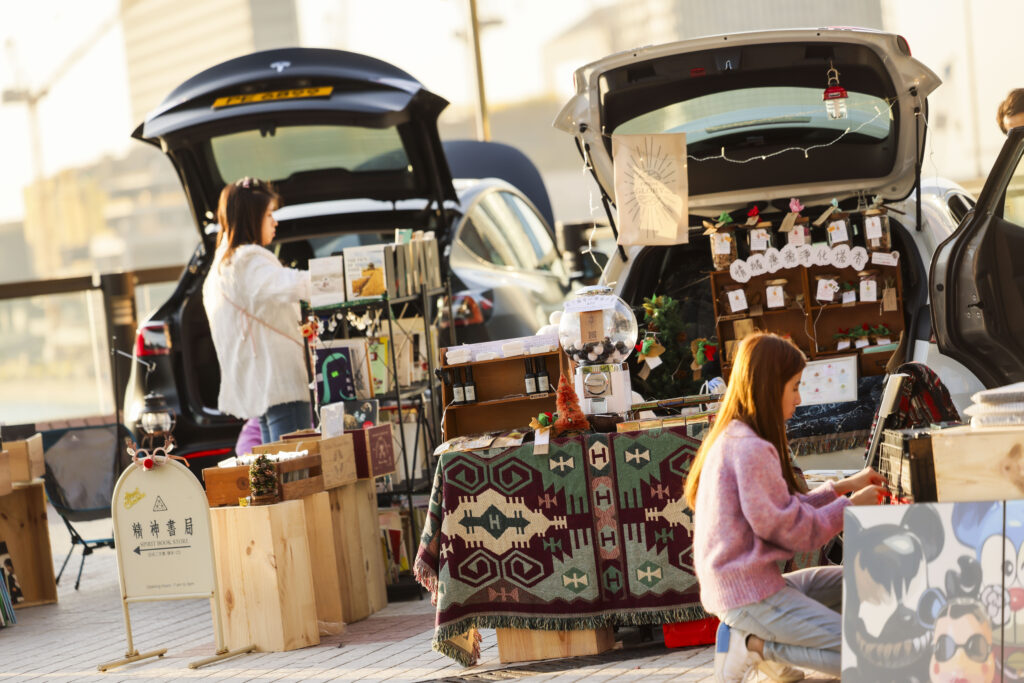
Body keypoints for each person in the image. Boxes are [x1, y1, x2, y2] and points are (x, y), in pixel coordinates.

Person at [683, 332, 887, 682]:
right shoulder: (750, 449)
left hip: (749, 586)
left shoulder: (733, 435)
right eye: (794, 386)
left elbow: (782, 509)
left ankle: (770, 657)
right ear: (768, 387)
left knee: (868, 583)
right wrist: (850, 509)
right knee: (868, 655)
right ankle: (754, 646)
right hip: (750, 596)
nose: (799, 398)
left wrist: (843, 487)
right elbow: (789, 530)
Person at [203, 177, 313, 444]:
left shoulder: (224, 262)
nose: (274, 221)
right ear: (252, 218)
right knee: (296, 468)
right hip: (280, 382)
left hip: (261, 384)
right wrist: (341, 278)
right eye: (268, 214)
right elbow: (292, 285)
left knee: (276, 468)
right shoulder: (249, 260)